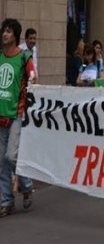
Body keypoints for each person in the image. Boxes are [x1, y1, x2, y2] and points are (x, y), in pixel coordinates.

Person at [0, 18, 37, 217]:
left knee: (11, 156)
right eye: (3, 31)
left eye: (8, 31)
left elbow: (33, 76)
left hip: (17, 113)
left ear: (15, 35)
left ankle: (27, 184)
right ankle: (6, 201)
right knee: (1, 162)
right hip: (0, 114)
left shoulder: (24, 57)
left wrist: (31, 79)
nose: (4, 34)